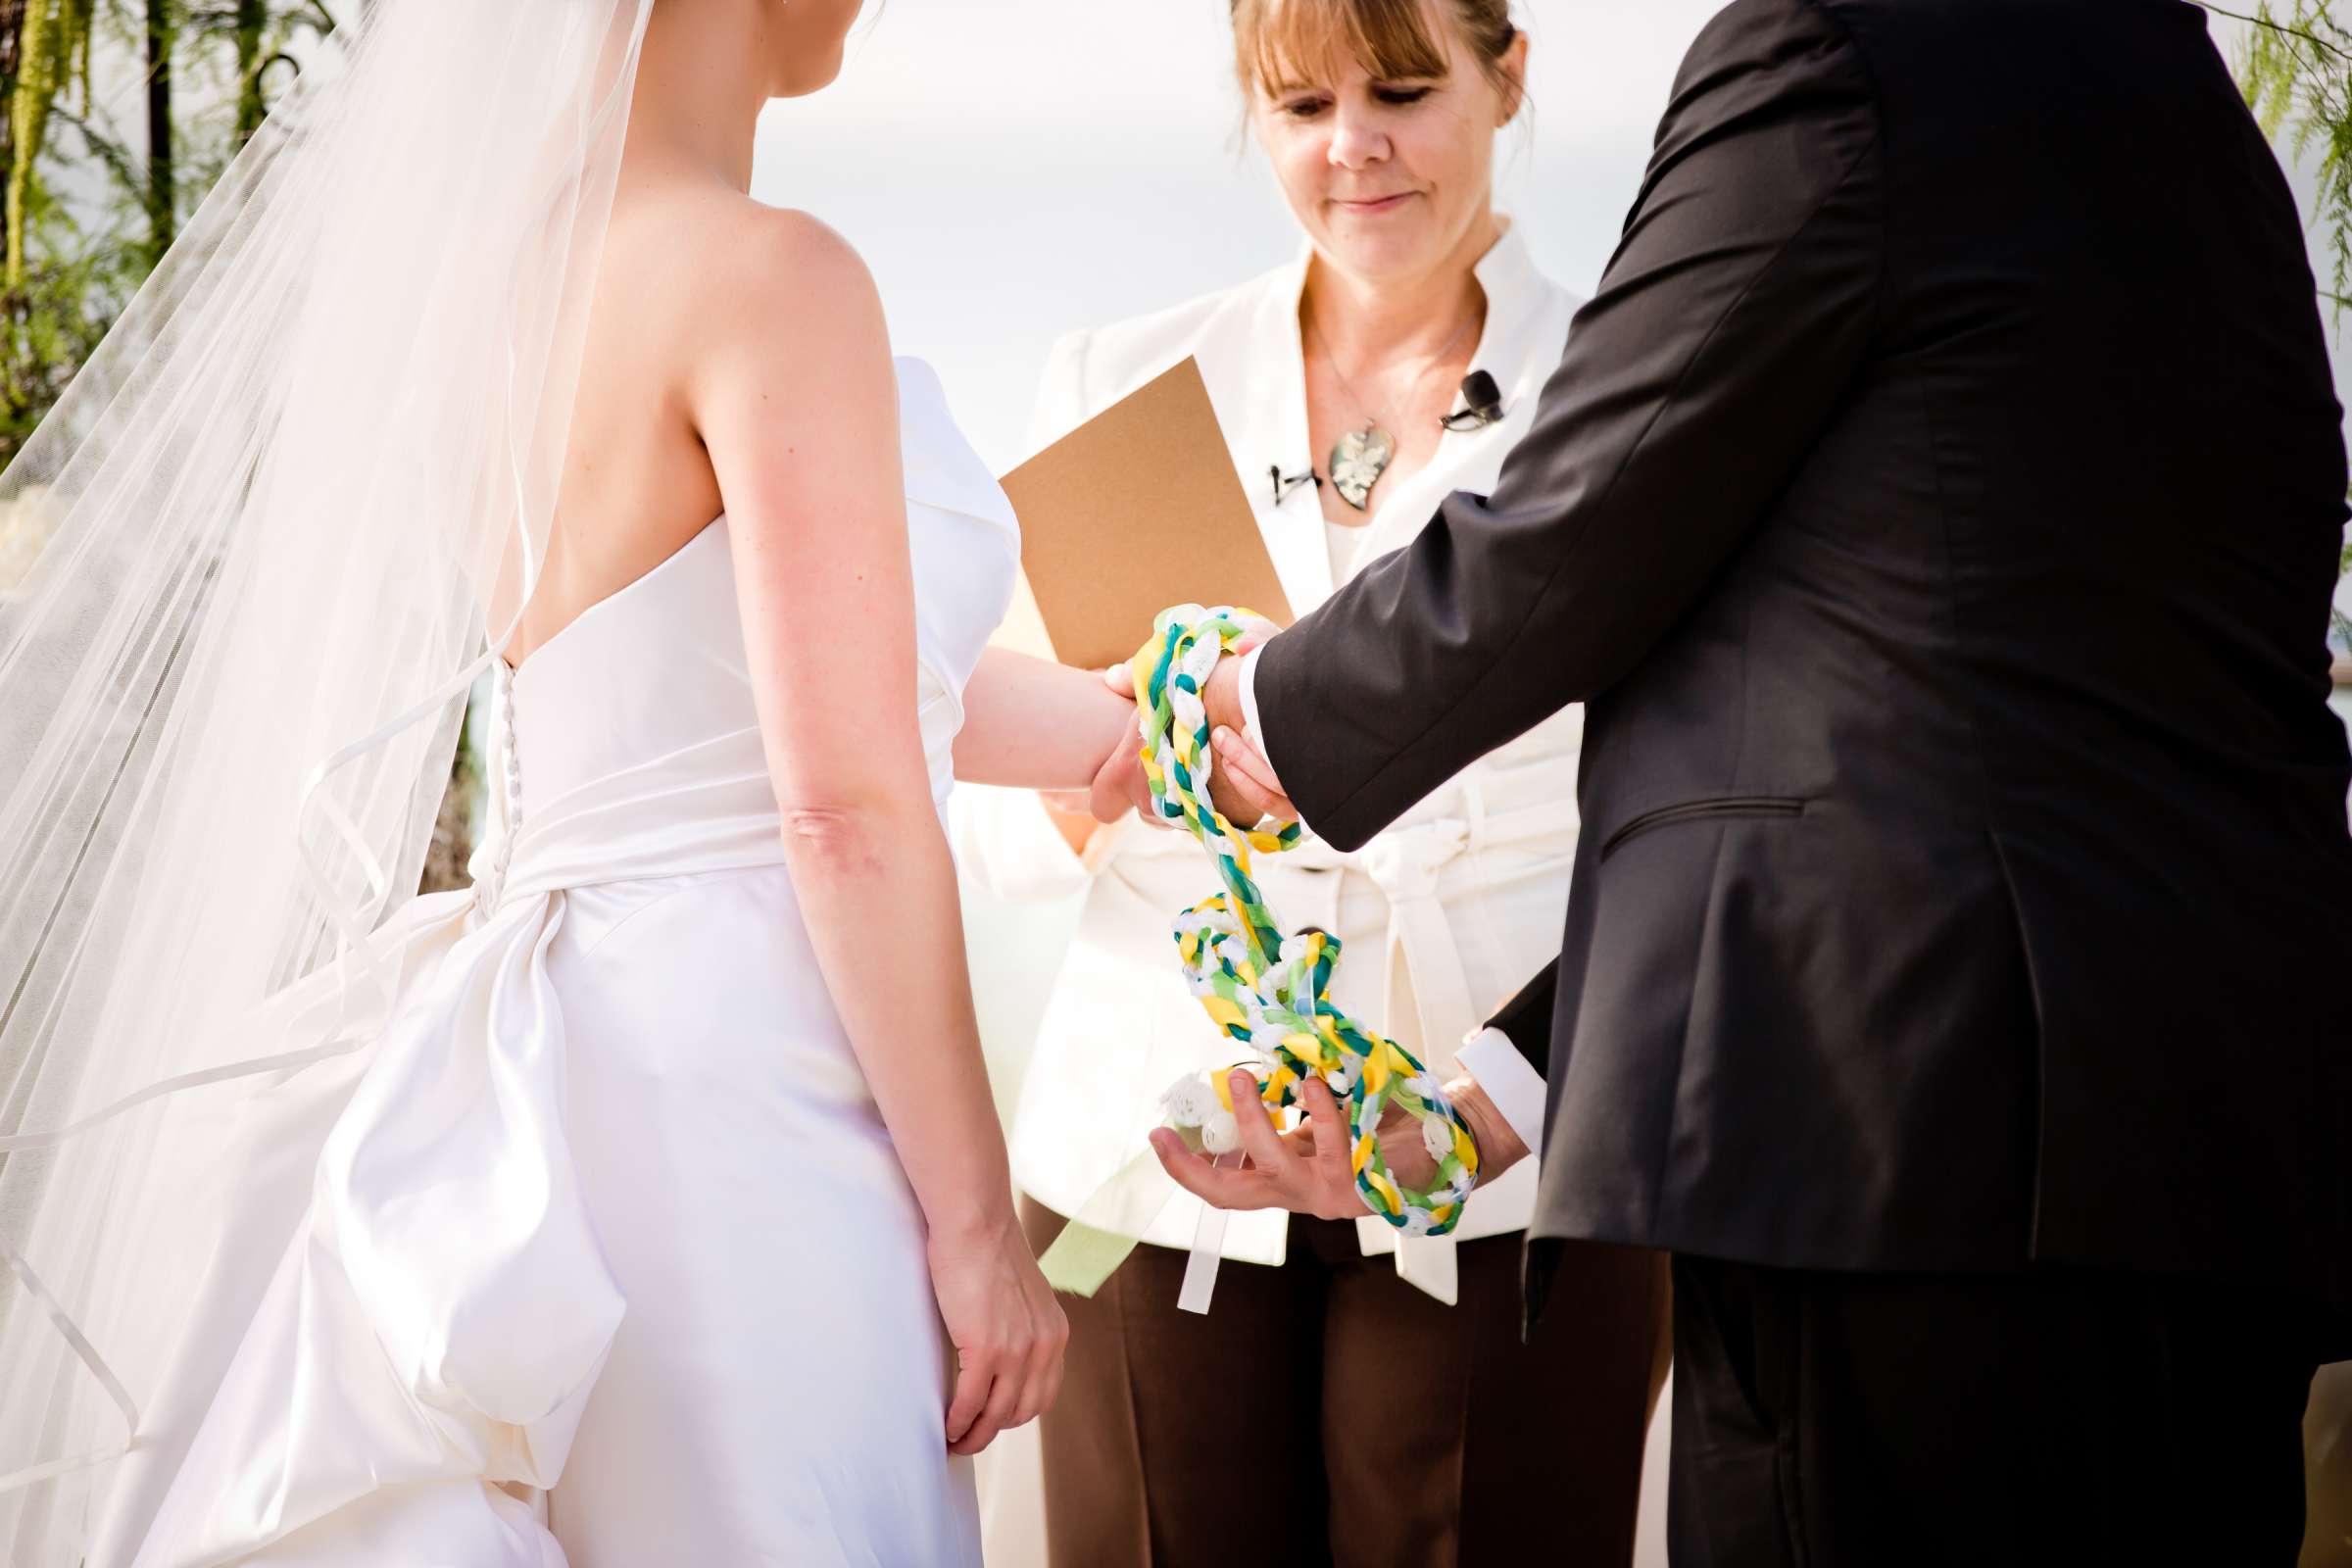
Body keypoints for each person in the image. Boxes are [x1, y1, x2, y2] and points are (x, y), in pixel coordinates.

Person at [1135, 0, 2352, 1560]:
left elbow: (1585, 522)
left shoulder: (1841, 53)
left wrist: (1243, 709)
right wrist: (1489, 1101)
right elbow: (1913, 719)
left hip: (1910, 1173)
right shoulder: (2186, 112)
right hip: (2202, 1171)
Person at [0, 0, 1132, 1560]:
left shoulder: (484, 290)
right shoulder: (771, 275)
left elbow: (702, 695)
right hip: (763, 1080)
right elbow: (842, 805)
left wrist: (1115, 729)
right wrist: (973, 1222)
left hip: (551, 1058)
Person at [956, 2, 1664, 1561]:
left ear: (1512, 75)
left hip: (1507, 1152)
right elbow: (993, 832)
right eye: (1300, 106)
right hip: (1147, 1167)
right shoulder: (1113, 379)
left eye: (1405, 89)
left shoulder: (1638, 393)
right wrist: (1114, 764)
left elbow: (1684, 805)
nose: (1355, 145)